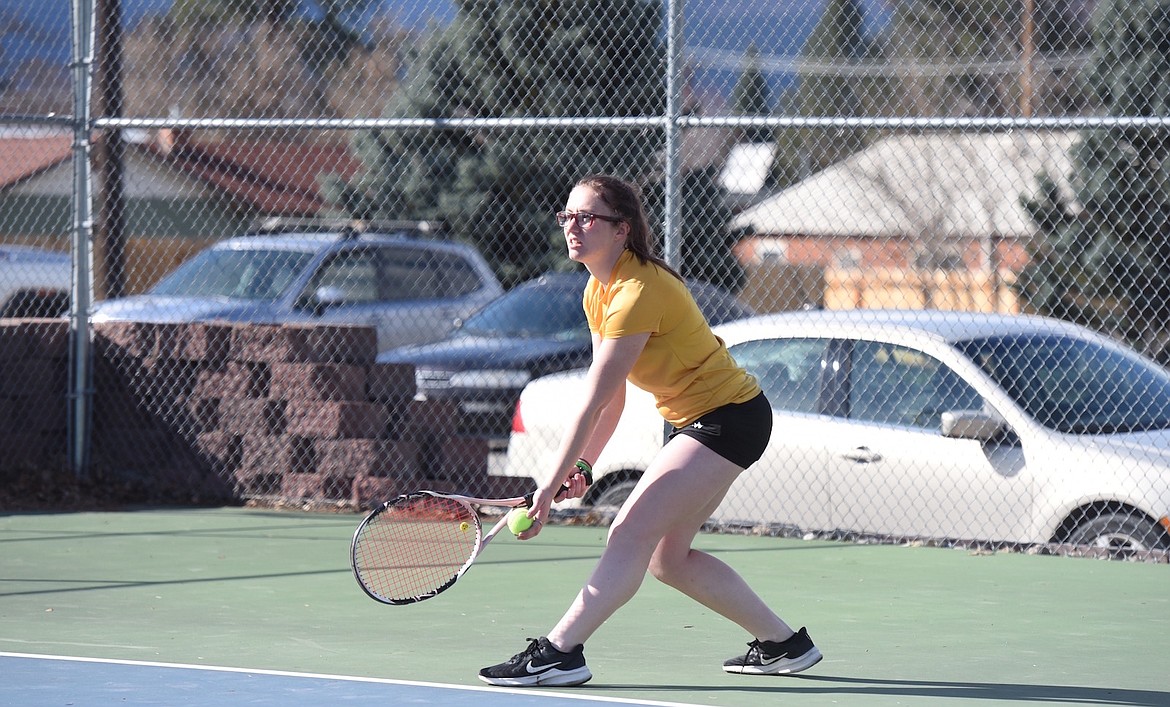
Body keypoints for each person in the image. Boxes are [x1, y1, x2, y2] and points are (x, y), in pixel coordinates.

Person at [478, 174, 822, 687]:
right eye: (567, 216)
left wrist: (545, 491)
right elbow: (613, 402)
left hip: (728, 418)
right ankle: (783, 645)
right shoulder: (599, 290)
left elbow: (591, 401)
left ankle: (558, 653)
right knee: (668, 559)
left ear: (622, 230)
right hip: (708, 421)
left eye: (587, 217)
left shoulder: (637, 290)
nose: (573, 226)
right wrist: (582, 467)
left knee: (628, 532)